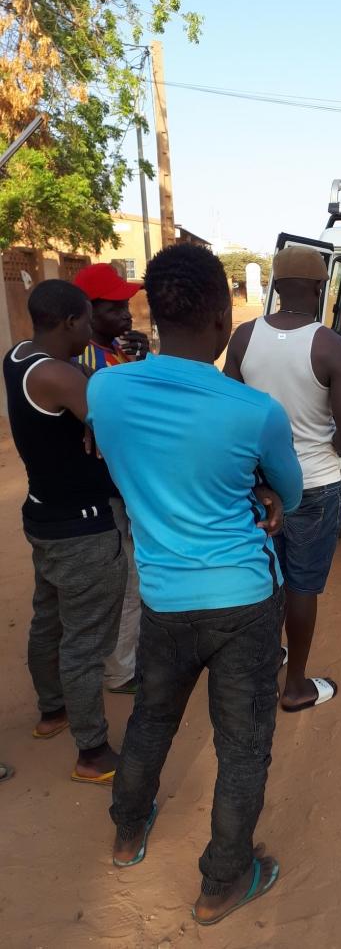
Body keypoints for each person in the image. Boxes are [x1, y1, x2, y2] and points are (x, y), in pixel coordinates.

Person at [86, 244, 303, 926]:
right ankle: (222, 882)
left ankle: (126, 832)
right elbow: (289, 493)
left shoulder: (105, 388)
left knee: (152, 716)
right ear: (219, 317)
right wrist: (264, 489)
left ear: (153, 308)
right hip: (242, 600)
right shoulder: (253, 410)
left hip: (164, 598)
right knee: (243, 745)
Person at [225, 246, 341, 712]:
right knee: (303, 584)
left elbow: (231, 412)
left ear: (275, 287)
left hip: (258, 485)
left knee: (267, 578)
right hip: (315, 483)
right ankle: (297, 685)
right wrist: (330, 448)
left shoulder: (244, 339)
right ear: (322, 288)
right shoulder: (332, 347)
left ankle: (269, 660)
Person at [2, 280, 127, 784]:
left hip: (44, 514)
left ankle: (52, 711)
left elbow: (79, 385)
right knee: (85, 642)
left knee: (48, 619)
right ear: (73, 321)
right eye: (89, 322)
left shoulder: (20, 356)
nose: (93, 330)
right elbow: (120, 430)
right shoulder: (61, 377)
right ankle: (92, 753)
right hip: (83, 527)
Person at [73, 262, 149, 695]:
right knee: (129, 579)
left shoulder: (115, 351)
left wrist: (143, 361)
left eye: (126, 305)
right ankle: (121, 670)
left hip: (124, 482)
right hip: (111, 487)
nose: (126, 313)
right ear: (87, 311)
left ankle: (128, 658)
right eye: (114, 307)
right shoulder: (88, 360)